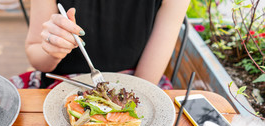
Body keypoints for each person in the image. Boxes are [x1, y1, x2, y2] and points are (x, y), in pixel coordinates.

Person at [10, 0, 190, 89]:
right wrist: (54, 51)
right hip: (60, 82)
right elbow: (36, 55)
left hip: (135, 84)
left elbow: (144, 83)